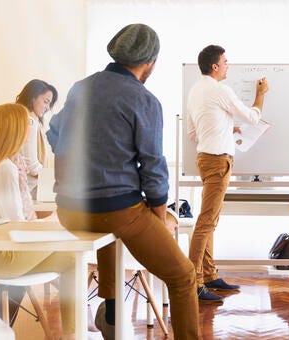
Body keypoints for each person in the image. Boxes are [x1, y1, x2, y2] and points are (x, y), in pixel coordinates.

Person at [47, 24, 199, 339]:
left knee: (112, 230)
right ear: (151, 61)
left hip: (69, 210)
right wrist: (159, 214)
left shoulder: (81, 88)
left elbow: (54, 133)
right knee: (183, 276)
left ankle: (113, 314)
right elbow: (153, 164)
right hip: (116, 210)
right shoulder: (143, 99)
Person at [0, 103, 76, 338]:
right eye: (26, 128)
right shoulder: (5, 169)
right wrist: (52, 221)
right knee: (69, 246)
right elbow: (18, 226)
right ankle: (72, 334)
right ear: (14, 132)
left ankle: (72, 333)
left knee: (70, 258)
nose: (29, 134)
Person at [186, 44, 269, 302]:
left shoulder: (195, 91)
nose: (227, 65)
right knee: (206, 222)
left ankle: (209, 275)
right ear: (215, 66)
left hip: (205, 157)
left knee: (209, 220)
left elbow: (193, 133)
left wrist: (225, 129)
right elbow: (252, 118)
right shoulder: (220, 89)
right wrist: (261, 94)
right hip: (218, 161)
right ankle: (193, 283)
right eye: (225, 61)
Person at [15, 79, 58, 199]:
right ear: (32, 97)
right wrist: (53, 178)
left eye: (49, 104)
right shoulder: (30, 122)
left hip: (18, 186)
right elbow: (31, 165)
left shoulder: (18, 118)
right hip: (30, 188)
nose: (47, 107)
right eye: (45, 101)